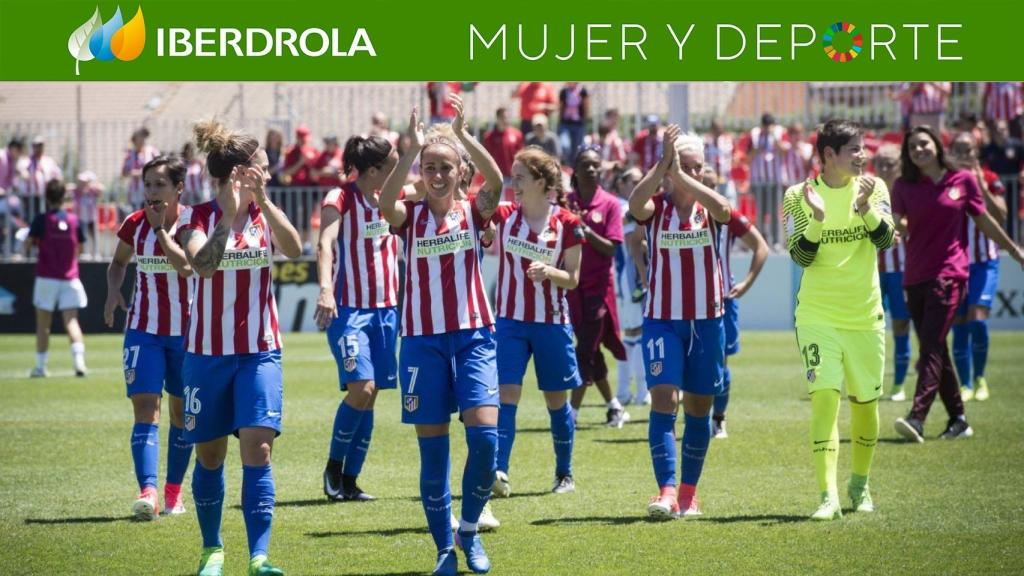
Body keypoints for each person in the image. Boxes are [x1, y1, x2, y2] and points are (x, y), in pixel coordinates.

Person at [378, 98, 502, 576]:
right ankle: (444, 551)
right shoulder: (409, 218)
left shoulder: (474, 212)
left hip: (473, 336)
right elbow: (386, 204)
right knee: (433, 452)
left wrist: (463, 136)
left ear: (458, 172)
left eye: (444, 167)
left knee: (486, 441)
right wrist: (411, 149)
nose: (435, 174)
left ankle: (467, 530)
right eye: (429, 166)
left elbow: (496, 182)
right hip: (422, 343)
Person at [176, 120, 302, 576]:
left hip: (259, 352)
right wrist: (228, 216)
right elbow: (203, 267)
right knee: (210, 456)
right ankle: (212, 548)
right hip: (206, 356)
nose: (269, 174)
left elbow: (294, 246)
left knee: (259, 450)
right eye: (263, 169)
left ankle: (260, 556)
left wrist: (263, 202)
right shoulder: (197, 216)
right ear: (241, 172)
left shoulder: (266, 213)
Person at [782, 119, 895, 520]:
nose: (863, 155)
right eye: (854, 149)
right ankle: (827, 495)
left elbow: (885, 241)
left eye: (862, 148)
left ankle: (859, 485)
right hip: (817, 316)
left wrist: (864, 209)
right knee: (825, 401)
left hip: (865, 316)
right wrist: (815, 217)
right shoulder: (797, 195)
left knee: (866, 406)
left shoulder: (875, 188)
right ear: (829, 155)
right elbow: (800, 256)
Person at [892, 126, 1024, 444]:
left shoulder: (962, 181)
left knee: (931, 347)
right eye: (912, 147)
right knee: (937, 348)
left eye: (923, 144)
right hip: (914, 277)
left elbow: (984, 221)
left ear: (937, 146)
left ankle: (917, 417)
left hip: (950, 275)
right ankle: (959, 419)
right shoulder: (903, 186)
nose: (918, 150)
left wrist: (1014, 250)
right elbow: (896, 224)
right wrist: (891, 225)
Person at [629, 126, 733, 519]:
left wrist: (686, 177)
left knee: (698, 407)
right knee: (664, 398)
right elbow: (635, 203)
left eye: (698, 166)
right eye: (683, 165)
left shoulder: (712, 207)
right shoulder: (656, 207)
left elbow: (725, 210)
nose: (692, 172)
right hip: (662, 319)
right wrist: (662, 169)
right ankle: (667, 491)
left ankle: (689, 494)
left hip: (707, 320)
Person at [490, 146, 584, 503]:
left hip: (552, 323)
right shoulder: (503, 216)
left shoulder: (568, 223)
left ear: (541, 181)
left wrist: (549, 272)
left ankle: (564, 472)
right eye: (513, 176)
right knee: (505, 397)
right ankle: (500, 471)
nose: (514, 183)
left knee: (556, 401)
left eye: (520, 177)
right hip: (510, 322)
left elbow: (572, 279)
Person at [104, 155, 195, 520]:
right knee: (146, 407)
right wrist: (113, 291)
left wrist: (160, 230)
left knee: (181, 413)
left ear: (178, 189)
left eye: (160, 184)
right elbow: (118, 263)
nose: (152, 192)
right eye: (148, 184)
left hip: (189, 333)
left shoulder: (193, 223)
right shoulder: (134, 224)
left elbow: (187, 267)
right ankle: (149, 492)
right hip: (143, 330)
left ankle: (174, 491)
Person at [313, 134, 399, 503]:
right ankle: (334, 467)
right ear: (374, 169)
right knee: (360, 389)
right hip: (350, 310)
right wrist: (326, 289)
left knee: (372, 394)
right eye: (393, 162)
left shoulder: (390, 198)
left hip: (387, 309)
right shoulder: (341, 198)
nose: (399, 168)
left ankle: (350, 480)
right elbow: (325, 244)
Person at [566, 146, 629, 428]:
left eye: (595, 165)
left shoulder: (611, 204)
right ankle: (614, 407)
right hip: (571, 288)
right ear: (575, 171)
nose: (591, 169)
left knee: (584, 350)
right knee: (591, 350)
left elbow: (611, 249)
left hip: (598, 290)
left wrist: (585, 229)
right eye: (585, 165)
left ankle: (571, 413)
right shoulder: (566, 202)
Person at [708, 166, 769, 440]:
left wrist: (746, 282)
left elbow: (761, 246)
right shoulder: (673, 212)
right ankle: (690, 417)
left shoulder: (726, 214)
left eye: (711, 185)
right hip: (684, 302)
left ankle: (719, 418)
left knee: (720, 363)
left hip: (721, 298)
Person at [948, 132, 1008, 402]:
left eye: (968, 149)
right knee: (959, 324)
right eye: (958, 149)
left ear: (977, 152)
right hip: (955, 264)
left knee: (978, 320)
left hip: (984, 261)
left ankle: (980, 377)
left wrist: (980, 185)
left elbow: (1001, 215)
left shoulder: (991, 178)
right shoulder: (946, 182)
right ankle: (966, 383)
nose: (964, 154)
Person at [25, 179, 87, 378]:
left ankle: (41, 367)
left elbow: (27, 245)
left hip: (46, 278)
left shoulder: (41, 220)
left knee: (43, 324)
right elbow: (81, 248)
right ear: (63, 197)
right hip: (70, 278)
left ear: (46, 197)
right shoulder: (74, 220)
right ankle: (79, 364)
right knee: (72, 321)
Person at [872, 145, 913, 401]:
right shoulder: (865, 190)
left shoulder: (908, 190)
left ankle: (898, 385)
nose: (885, 168)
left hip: (901, 270)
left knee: (900, 325)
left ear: (900, 165)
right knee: (868, 329)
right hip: (872, 271)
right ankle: (870, 384)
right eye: (881, 163)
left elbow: (912, 224)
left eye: (891, 163)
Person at [611, 167, 649, 406]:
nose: (638, 184)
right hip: (631, 276)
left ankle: (627, 391)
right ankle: (637, 391)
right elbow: (633, 239)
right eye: (634, 180)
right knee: (636, 332)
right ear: (622, 184)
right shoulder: (625, 208)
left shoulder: (627, 208)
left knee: (634, 332)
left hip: (633, 274)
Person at [122, 128, 160, 211]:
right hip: (135, 192)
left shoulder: (152, 151)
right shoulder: (129, 154)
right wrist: (132, 173)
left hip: (151, 190)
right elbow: (124, 173)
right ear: (134, 140)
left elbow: (160, 167)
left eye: (144, 137)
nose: (142, 140)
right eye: (140, 137)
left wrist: (143, 172)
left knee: (152, 214)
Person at [557, 82, 589, 163]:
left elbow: (586, 106)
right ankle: (566, 163)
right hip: (565, 123)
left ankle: (573, 167)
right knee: (565, 146)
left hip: (578, 124)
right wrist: (559, 122)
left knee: (576, 149)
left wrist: (584, 121)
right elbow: (561, 107)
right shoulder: (564, 91)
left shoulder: (582, 90)